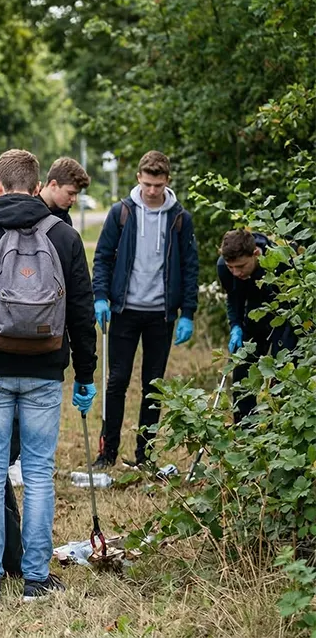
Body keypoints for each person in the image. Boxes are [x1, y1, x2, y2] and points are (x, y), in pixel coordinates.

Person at [0, 149, 97, 603]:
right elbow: (82, 312)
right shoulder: (64, 237)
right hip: (45, 371)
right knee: (40, 472)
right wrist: (84, 374)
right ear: (35, 186)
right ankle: (36, 578)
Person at [92, 150, 198, 469]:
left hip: (160, 316)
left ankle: (146, 455)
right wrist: (100, 296)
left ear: (167, 181)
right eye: (148, 183)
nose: (152, 190)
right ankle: (107, 452)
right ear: (139, 178)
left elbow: (190, 267)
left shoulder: (180, 218)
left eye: (159, 184)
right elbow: (102, 257)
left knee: (154, 385)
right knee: (116, 381)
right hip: (124, 310)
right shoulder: (121, 212)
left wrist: (188, 313)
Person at [217, 229, 296, 423]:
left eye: (241, 266)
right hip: (252, 317)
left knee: (283, 378)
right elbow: (233, 299)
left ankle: (283, 432)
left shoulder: (279, 262)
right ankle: (246, 437)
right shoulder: (224, 268)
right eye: (231, 267)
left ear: (256, 254)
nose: (235, 272)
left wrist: (284, 345)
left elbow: (292, 306)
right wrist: (235, 325)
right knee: (242, 378)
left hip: (284, 317)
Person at [36, 157, 90, 228]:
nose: (74, 199)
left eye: (76, 194)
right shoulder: (28, 213)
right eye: (70, 193)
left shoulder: (65, 219)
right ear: (53, 185)